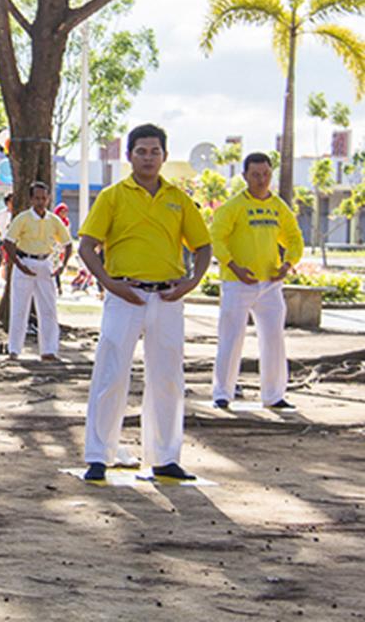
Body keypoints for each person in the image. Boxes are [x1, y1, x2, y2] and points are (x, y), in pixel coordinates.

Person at [78, 124, 212, 481]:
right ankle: (98, 455)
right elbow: (87, 246)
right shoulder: (113, 196)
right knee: (111, 373)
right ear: (129, 156)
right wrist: (108, 283)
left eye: (155, 152)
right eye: (141, 151)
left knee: (167, 377)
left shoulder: (178, 198)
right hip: (126, 295)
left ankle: (165, 457)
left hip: (167, 297)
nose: (148, 158)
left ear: (164, 156)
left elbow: (203, 246)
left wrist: (191, 283)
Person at [210, 152, 303, 410]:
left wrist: (287, 264)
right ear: (245, 176)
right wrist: (233, 266)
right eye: (255, 175)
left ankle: (274, 395)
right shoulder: (233, 206)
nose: (261, 180)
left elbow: (294, 237)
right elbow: (216, 238)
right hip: (237, 283)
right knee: (231, 338)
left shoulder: (278, 207)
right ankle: (222, 393)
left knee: (274, 338)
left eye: (266, 174)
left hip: (270, 284)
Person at [3, 182, 72, 360]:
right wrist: (19, 265)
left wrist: (62, 266)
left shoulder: (53, 220)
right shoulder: (23, 218)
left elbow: (68, 243)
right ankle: (14, 350)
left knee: (48, 309)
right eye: (37, 198)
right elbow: (8, 242)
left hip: (45, 264)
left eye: (43, 198)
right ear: (31, 199)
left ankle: (49, 350)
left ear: (48, 199)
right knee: (19, 309)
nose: (40, 202)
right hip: (24, 262)